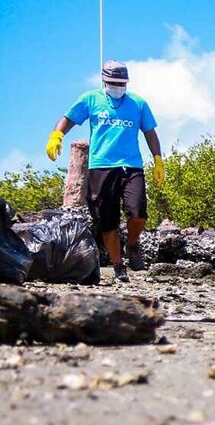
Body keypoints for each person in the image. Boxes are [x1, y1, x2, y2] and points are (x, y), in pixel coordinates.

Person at [45, 60, 164, 283]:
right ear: (104, 81)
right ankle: (119, 267)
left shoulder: (138, 103)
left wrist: (157, 158)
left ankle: (132, 244)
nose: (118, 86)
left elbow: (150, 132)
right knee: (107, 220)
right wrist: (57, 135)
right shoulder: (90, 99)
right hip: (101, 166)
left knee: (137, 212)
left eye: (122, 83)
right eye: (113, 82)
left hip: (131, 165)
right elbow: (68, 119)